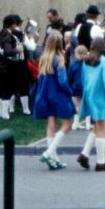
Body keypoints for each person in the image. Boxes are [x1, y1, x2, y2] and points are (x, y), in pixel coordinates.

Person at [34, 31, 76, 170]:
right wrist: (70, 92)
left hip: (45, 95)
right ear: (60, 43)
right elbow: (63, 81)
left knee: (50, 123)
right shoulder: (59, 58)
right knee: (67, 124)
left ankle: (54, 159)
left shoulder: (44, 58)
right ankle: (49, 152)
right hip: (58, 95)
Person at [76, 38, 105, 172]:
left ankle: (85, 153)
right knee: (102, 129)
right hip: (102, 97)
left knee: (96, 127)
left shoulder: (86, 61)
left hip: (90, 96)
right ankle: (101, 162)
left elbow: (84, 80)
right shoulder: (104, 61)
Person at [68, 45, 90, 131]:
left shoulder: (73, 65)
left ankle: (75, 123)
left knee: (77, 105)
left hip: (76, 87)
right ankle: (88, 123)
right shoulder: (88, 64)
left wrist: (69, 86)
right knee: (88, 105)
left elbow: (69, 77)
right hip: (86, 86)